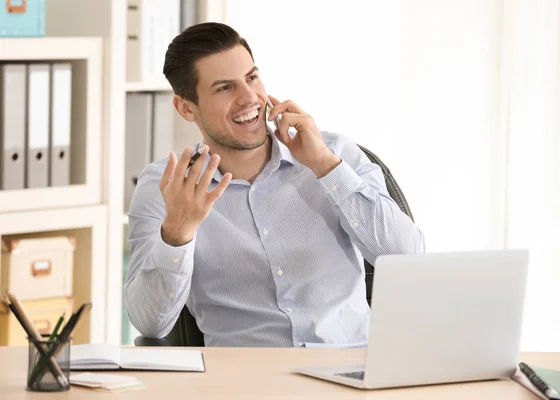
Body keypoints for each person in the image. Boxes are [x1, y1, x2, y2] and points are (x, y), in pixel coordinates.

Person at [124, 22, 425, 347]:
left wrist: (325, 166)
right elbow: (150, 324)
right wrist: (178, 232)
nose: (249, 98)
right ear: (186, 107)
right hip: (244, 382)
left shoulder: (335, 154)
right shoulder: (166, 185)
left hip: (349, 372)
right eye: (225, 88)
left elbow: (409, 258)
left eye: (252, 78)